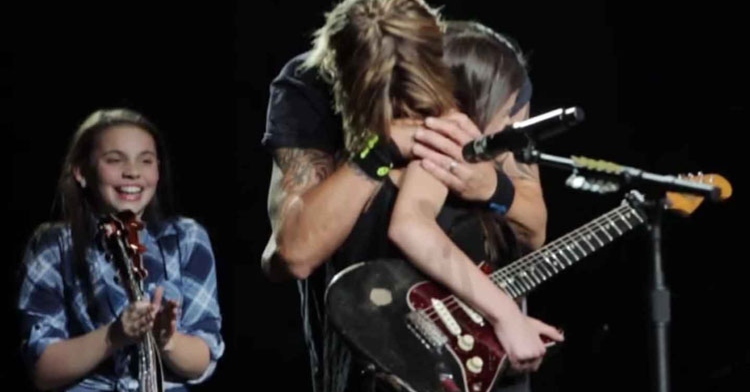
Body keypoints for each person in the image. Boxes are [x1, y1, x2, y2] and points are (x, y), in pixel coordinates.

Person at [260, 1, 557, 391]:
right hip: (378, 356)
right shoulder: (309, 86)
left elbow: (533, 229)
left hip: (484, 358)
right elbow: (294, 255)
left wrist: (492, 186)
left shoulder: (477, 67)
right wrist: (379, 155)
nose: (420, 114)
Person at [16, 108, 225, 391]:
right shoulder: (54, 245)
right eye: (115, 160)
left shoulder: (187, 238)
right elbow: (42, 368)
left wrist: (167, 341)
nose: (133, 172)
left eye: (146, 161)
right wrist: (115, 335)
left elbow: (202, 358)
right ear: (81, 171)